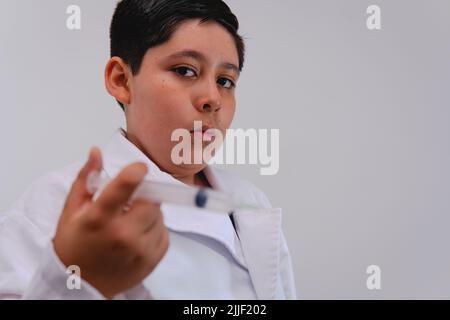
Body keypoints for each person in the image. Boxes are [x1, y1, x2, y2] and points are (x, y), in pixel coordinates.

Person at [0, 0, 296, 299]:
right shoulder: (52, 205)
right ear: (122, 80)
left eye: (225, 81)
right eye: (185, 70)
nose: (212, 98)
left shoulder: (250, 202)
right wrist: (75, 283)